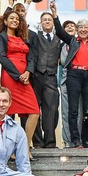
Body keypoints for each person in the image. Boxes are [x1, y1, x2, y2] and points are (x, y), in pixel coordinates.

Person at [52, 1, 88, 148]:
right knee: (73, 110)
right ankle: (75, 140)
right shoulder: (72, 41)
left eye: (86, 27)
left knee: (87, 110)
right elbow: (59, 31)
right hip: (73, 75)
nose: (83, 30)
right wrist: (55, 15)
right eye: (81, 27)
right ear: (77, 30)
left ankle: (85, 140)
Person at [0, 10, 40, 159]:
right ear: (5, 21)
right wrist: (17, 75)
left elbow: (32, 57)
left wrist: (28, 72)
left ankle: (24, 146)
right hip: (10, 77)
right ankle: (8, 148)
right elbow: (2, 57)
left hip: (25, 78)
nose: (15, 21)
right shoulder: (1, 37)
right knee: (7, 112)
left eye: (17, 19)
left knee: (34, 111)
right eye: (11, 18)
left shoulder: (23, 37)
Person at [30, 12, 61, 148]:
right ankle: (37, 142)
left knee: (51, 110)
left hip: (51, 77)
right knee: (34, 109)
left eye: (49, 19)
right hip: (36, 76)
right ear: (41, 23)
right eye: (44, 20)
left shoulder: (58, 39)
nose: (47, 21)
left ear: (53, 22)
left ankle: (50, 142)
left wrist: (55, 15)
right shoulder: (35, 37)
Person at [59, 19, 82, 148]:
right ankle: (68, 141)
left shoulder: (81, 44)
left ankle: (78, 140)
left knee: (78, 111)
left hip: (79, 81)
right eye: (67, 26)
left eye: (72, 26)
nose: (70, 28)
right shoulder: (61, 46)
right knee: (66, 112)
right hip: (64, 81)